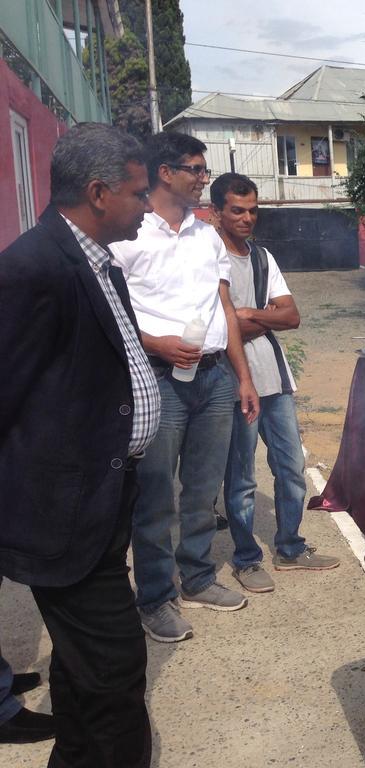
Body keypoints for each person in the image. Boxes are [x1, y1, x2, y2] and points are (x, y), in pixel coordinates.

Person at [0, 122, 157, 765]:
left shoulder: (100, 263)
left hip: (104, 500)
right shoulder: (32, 269)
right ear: (98, 192)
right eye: (139, 193)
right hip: (61, 515)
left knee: (82, 664)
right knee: (117, 674)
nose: (148, 206)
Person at [110, 132, 260, 643]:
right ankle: (154, 597)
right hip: (159, 380)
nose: (203, 178)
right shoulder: (129, 234)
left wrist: (243, 377)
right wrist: (157, 344)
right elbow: (115, 316)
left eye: (203, 169)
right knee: (155, 496)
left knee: (202, 488)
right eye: (195, 169)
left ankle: (196, 577)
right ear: (165, 173)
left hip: (215, 378)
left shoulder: (206, 236)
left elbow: (225, 309)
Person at [210, 172, 340, 592]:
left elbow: (292, 316)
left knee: (291, 467)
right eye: (237, 210)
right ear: (217, 212)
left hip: (275, 379)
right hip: (232, 383)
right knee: (243, 477)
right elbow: (216, 322)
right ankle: (246, 559)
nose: (247, 218)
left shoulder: (263, 258)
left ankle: (290, 547)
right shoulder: (208, 258)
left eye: (252, 210)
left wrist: (246, 316)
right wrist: (248, 318)